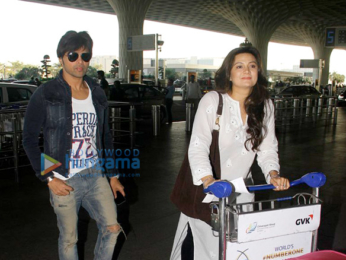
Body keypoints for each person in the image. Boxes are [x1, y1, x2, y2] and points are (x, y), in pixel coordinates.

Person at [170, 46, 290, 260]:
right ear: (229, 73)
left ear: (258, 72)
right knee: (205, 250)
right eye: (240, 66)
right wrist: (209, 179)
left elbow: (267, 147)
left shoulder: (266, 106)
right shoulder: (214, 101)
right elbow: (198, 145)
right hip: (211, 192)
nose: (247, 70)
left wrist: (273, 174)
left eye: (252, 66)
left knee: (237, 251)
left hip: (243, 191)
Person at [23, 31, 125, 260]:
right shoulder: (45, 93)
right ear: (61, 58)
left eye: (85, 55)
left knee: (112, 228)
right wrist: (49, 178)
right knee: (69, 239)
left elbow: (105, 136)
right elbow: (29, 139)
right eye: (73, 55)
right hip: (64, 177)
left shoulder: (96, 92)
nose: (80, 61)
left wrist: (113, 175)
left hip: (95, 173)